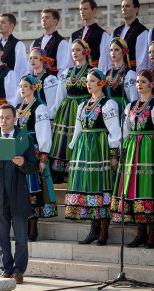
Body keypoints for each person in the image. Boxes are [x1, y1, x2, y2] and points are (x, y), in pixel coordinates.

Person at [0, 104, 37, 284]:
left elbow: (32, 167)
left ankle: (19, 270)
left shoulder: (23, 139)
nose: (3, 121)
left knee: (21, 236)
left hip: (18, 194)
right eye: (0, 118)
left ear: (14, 119)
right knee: (2, 236)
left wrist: (23, 164)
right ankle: (6, 268)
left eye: (7, 118)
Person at [66, 68, 121, 246]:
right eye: (87, 81)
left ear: (101, 83)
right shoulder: (83, 105)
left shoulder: (108, 104)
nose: (88, 84)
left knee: (101, 186)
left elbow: (115, 132)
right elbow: (77, 129)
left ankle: (103, 231)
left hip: (99, 148)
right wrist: (73, 148)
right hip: (84, 149)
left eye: (91, 81)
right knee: (90, 187)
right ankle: (93, 229)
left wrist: (113, 155)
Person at [110, 69, 154, 249]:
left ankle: (152, 233)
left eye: (143, 81)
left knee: (148, 188)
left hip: (149, 149)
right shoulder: (131, 106)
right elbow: (125, 129)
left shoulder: (153, 105)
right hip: (133, 150)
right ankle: (141, 232)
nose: (139, 85)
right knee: (135, 190)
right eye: (137, 82)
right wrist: (122, 150)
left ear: (152, 84)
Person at [16, 75, 57, 241]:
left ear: (33, 88)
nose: (22, 89)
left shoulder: (39, 107)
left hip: (32, 152)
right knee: (21, 189)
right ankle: (23, 226)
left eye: (25, 86)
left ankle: (33, 229)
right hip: (20, 151)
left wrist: (43, 157)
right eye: (21, 86)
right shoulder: (18, 107)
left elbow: (44, 133)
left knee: (33, 189)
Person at [50, 39, 93, 182]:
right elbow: (60, 94)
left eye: (78, 50)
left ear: (85, 52)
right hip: (67, 110)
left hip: (83, 107)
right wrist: (54, 113)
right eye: (73, 50)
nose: (74, 53)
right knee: (65, 139)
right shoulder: (68, 72)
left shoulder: (91, 71)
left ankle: (79, 170)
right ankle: (65, 173)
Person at [68, 0, 111, 72]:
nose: (82, 11)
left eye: (85, 9)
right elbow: (69, 60)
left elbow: (104, 59)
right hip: (76, 75)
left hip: (93, 74)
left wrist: (99, 76)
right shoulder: (74, 35)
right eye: (80, 9)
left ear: (94, 10)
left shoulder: (102, 34)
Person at [29, 8, 73, 77]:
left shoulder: (61, 42)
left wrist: (56, 85)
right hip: (35, 82)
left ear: (55, 21)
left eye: (47, 17)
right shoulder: (35, 42)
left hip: (51, 83)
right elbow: (30, 68)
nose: (43, 20)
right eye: (42, 18)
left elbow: (63, 69)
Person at [0, 13, 27, 79]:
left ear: (12, 25)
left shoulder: (18, 44)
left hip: (10, 81)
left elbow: (21, 69)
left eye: (3, 22)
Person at [21, 47, 59, 120]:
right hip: (27, 115)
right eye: (30, 58)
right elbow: (20, 99)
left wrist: (51, 119)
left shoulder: (50, 79)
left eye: (35, 58)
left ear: (42, 59)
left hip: (43, 115)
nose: (32, 60)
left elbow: (52, 102)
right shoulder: (26, 78)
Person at [111, 0, 148, 72]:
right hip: (116, 74)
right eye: (122, 7)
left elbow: (142, 60)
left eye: (127, 6)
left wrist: (138, 79)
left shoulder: (141, 31)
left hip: (132, 73)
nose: (124, 9)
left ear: (136, 9)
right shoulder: (116, 31)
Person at [107, 38, 138, 117]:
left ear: (123, 51)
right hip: (109, 111)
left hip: (123, 110)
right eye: (111, 50)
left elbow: (134, 99)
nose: (113, 53)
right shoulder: (107, 73)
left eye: (116, 50)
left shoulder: (129, 74)